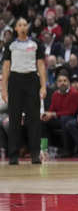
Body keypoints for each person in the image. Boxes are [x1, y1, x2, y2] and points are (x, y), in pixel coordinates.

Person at [1, 18, 47, 165]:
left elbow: (41, 65)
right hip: (15, 81)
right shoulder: (10, 45)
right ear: (15, 28)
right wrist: (3, 88)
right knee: (14, 119)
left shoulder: (35, 44)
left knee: (33, 119)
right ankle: (13, 155)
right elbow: (6, 67)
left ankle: (35, 154)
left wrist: (43, 86)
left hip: (32, 80)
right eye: (19, 25)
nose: (22, 27)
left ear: (27, 27)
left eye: (24, 24)